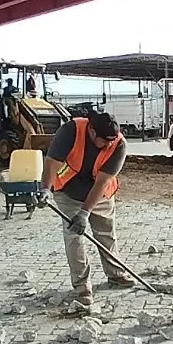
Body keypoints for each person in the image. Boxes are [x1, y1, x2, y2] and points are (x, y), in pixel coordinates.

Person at [36, 112, 133, 305]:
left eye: (110, 141)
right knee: (74, 239)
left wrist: (85, 212)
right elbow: (51, 162)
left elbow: (102, 183)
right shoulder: (70, 131)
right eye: (104, 141)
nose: (107, 145)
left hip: (100, 194)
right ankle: (82, 288)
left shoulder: (119, 145)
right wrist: (46, 189)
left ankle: (115, 274)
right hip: (68, 191)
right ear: (92, 131)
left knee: (106, 233)